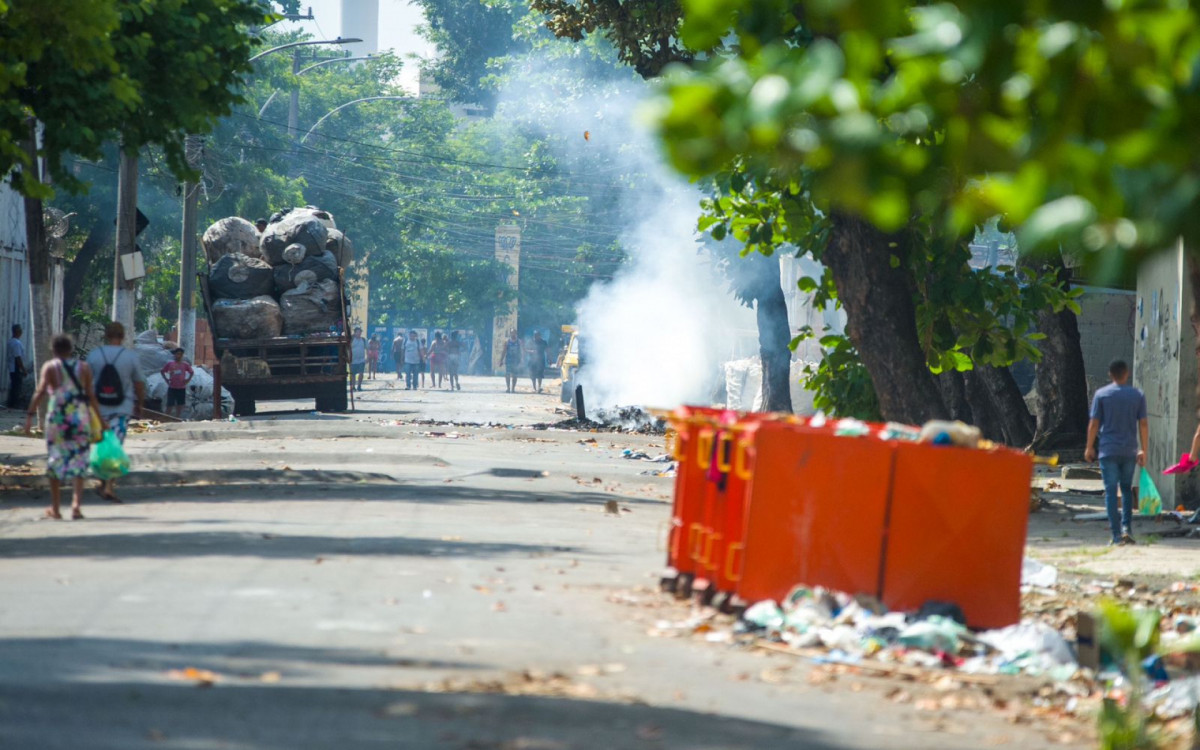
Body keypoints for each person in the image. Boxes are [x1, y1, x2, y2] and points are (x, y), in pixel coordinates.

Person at [24, 334, 104, 520]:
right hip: (79, 417)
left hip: (58, 418)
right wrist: (101, 420)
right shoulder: (83, 368)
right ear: (71, 349)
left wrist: (29, 416)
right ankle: (76, 505)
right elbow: (91, 396)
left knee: (55, 458)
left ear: (54, 350)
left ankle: (56, 508)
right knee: (79, 459)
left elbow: (41, 391)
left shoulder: (50, 367)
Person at [1085, 359, 1149, 546]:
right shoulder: (1137, 395)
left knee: (1111, 491)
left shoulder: (1101, 395)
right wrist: (1143, 449)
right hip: (1129, 450)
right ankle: (1126, 529)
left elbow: (1094, 424)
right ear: (1126, 373)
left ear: (1110, 375)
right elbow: (1143, 424)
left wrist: (1089, 447)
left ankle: (1115, 535)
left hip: (1108, 450)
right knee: (1127, 490)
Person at [86, 321, 145, 504]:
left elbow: (85, 383)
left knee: (101, 445)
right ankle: (108, 485)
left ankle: (103, 481)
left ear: (105, 335)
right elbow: (139, 383)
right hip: (122, 409)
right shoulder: (130, 357)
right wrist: (140, 404)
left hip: (98, 409)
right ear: (123, 336)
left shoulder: (94, 356)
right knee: (116, 446)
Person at [160, 348, 194, 420]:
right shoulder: (170, 364)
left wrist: (187, 380)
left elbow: (191, 372)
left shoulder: (185, 365)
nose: (178, 356)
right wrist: (166, 379)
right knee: (170, 404)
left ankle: (177, 418)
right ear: (174, 355)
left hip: (181, 387)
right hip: (172, 387)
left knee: (180, 404)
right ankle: (165, 418)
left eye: (180, 354)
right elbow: (162, 371)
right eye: (177, 354)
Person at [6, 324, 25, 409]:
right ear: (17, 331)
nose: (21, 332)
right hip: (16, 367)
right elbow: (18, 357)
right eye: (20, 330)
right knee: (17, 386)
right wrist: (23, 369)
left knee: (14, 385)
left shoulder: (10, 341)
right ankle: (13, 404)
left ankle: (11, 403)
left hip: (11, 367)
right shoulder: (17, 343)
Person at [349, 327, 367, 392]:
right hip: (352, 360)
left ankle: (359, 386)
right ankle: (353, 386)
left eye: (360, 332)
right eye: (358, 332)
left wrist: (367, 357)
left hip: (361, 360)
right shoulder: (351, 340)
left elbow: (367, 349)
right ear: (355, 332)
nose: (359, 333)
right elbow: (347, 348)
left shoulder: (363, 340)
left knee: (361, 373)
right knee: (353, 374)